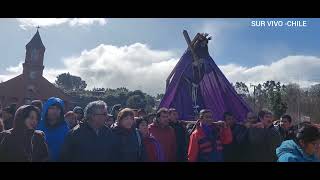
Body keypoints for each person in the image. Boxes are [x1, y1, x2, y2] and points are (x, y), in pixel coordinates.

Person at [37, 97, 69, 161]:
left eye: (58, 108)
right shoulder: (38, 126)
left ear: (61, 111)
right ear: (46, 109)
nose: (55, 111)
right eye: (52, 108)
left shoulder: (66, 129)